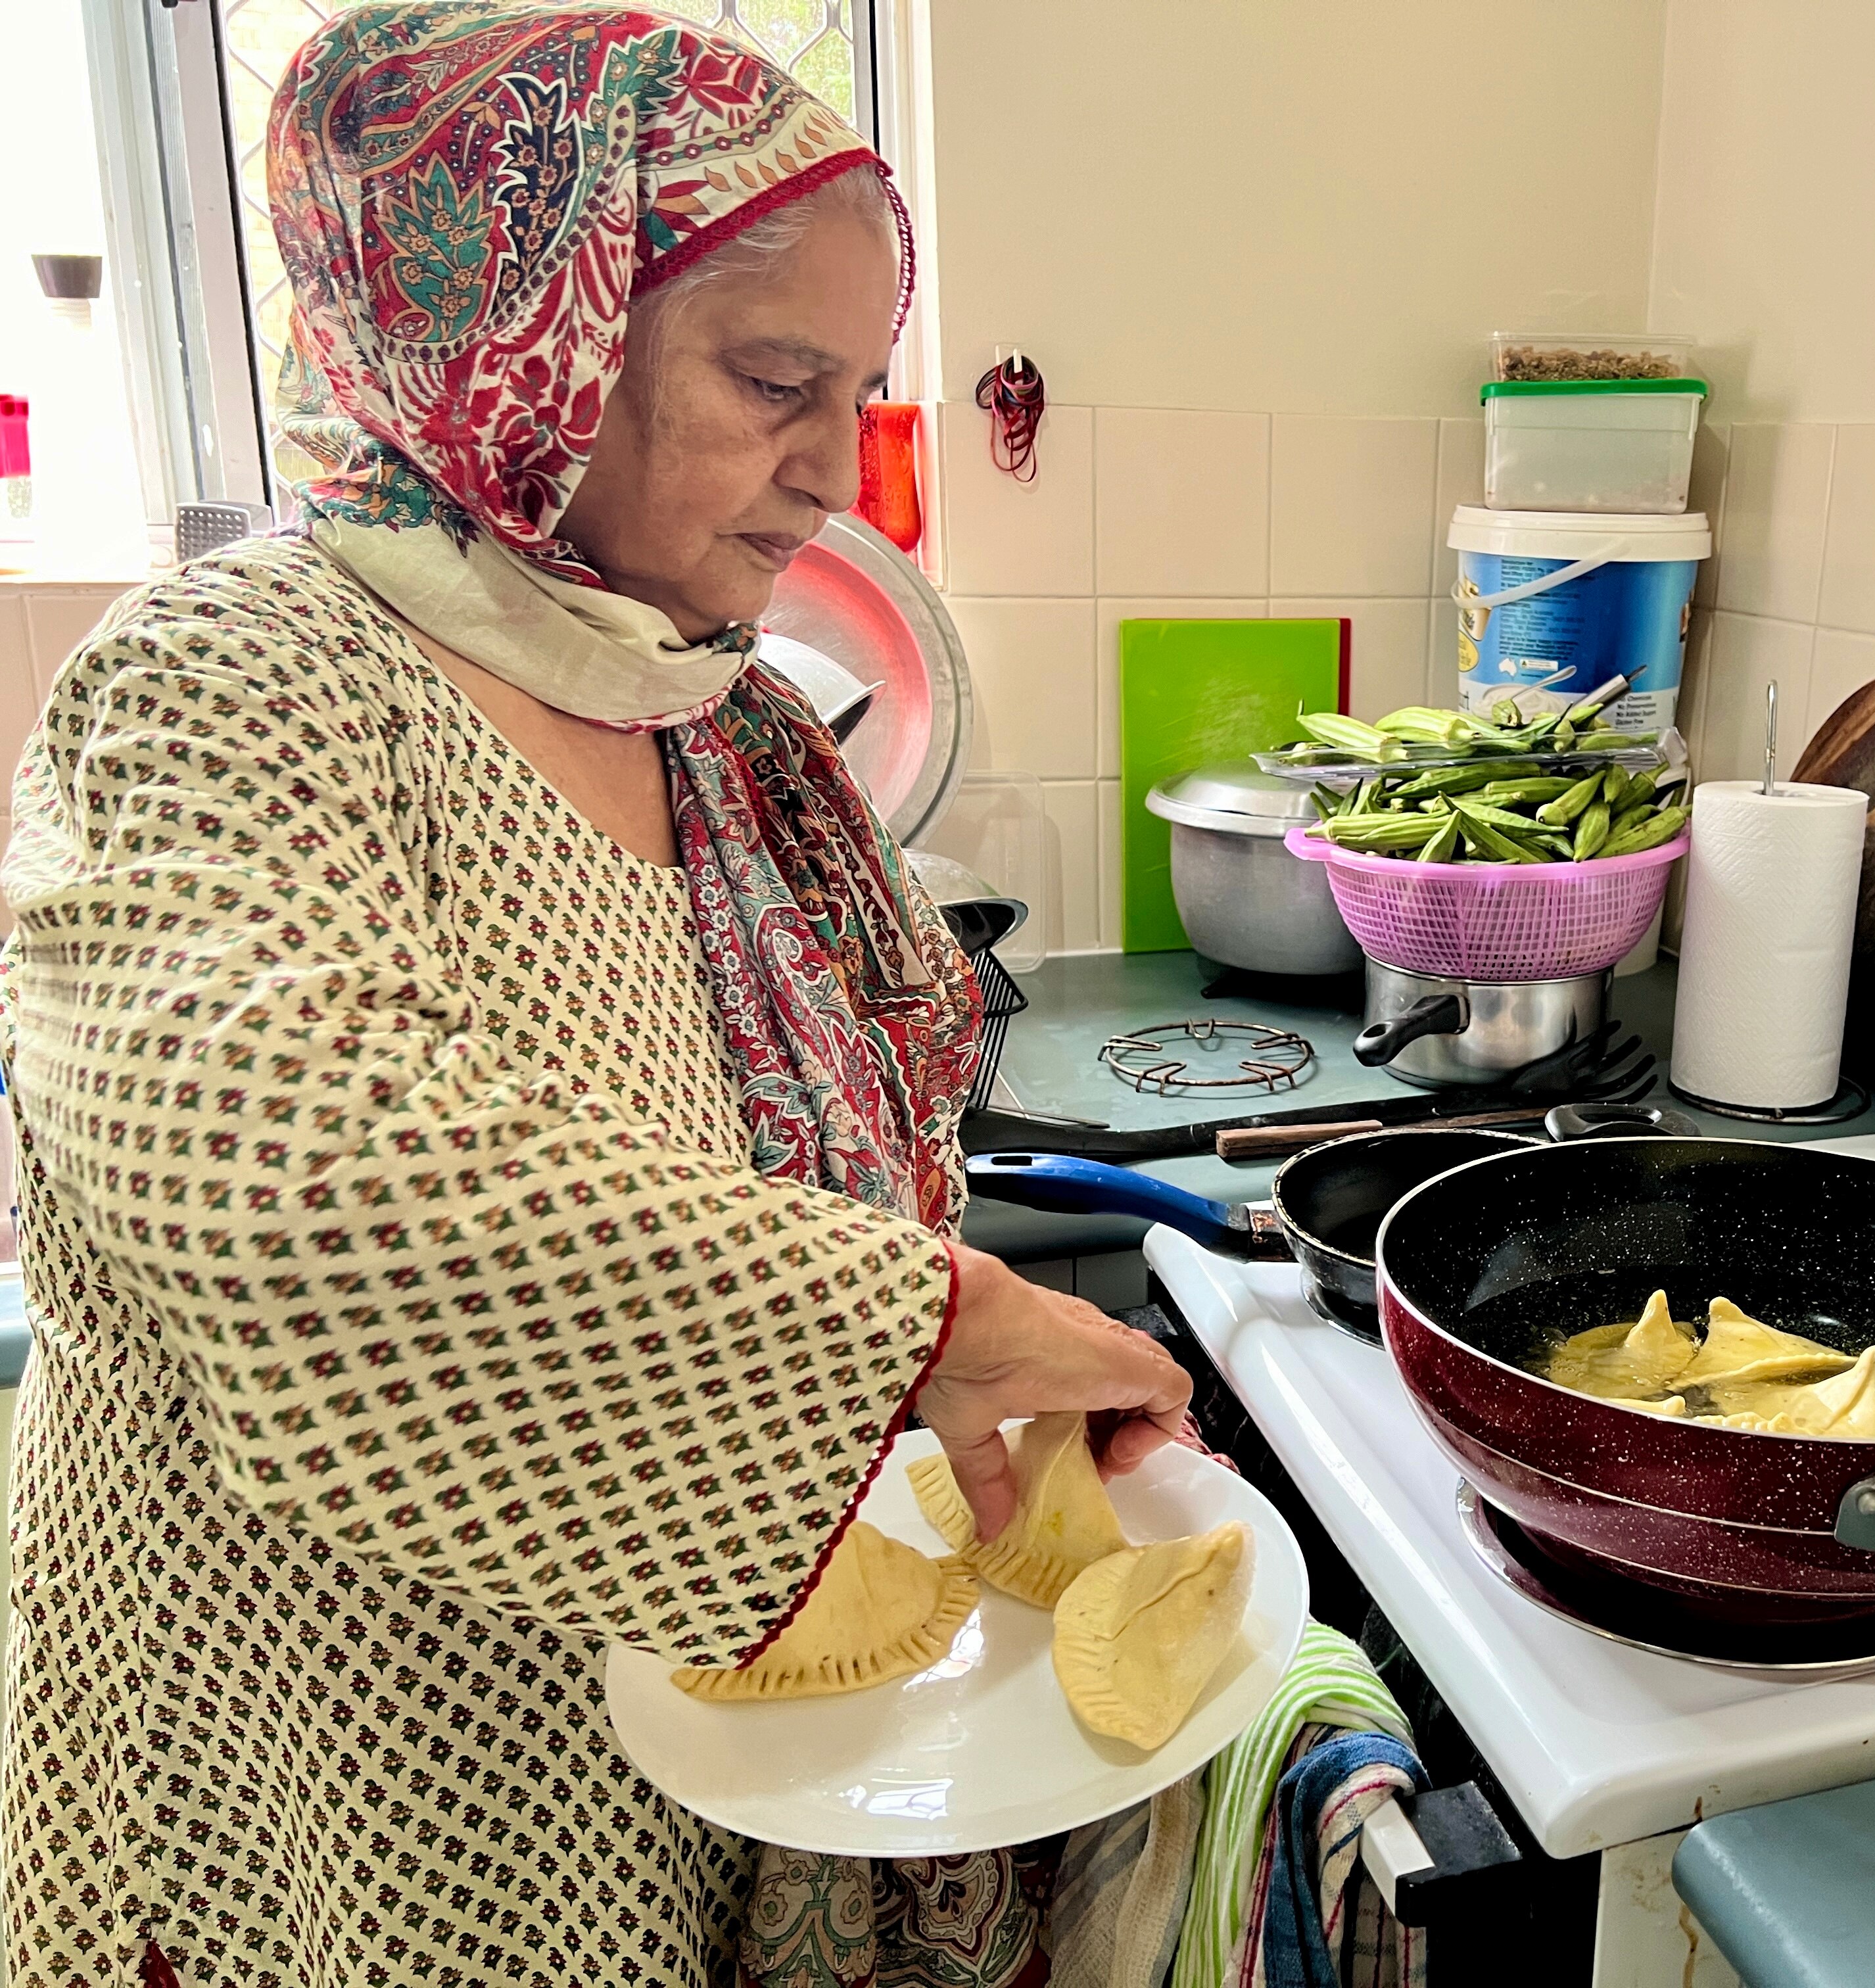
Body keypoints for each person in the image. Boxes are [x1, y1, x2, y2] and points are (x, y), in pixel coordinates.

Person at [0, 9, 1188, 1985]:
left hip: (655, 1746)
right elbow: (276, 1173)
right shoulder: (228, 682)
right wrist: (929, 1324)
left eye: (862, 386)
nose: (838, 469)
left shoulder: (709, 709)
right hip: (313, 1776)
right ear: (523, 345)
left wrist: (957, 1394)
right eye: (773, 379)